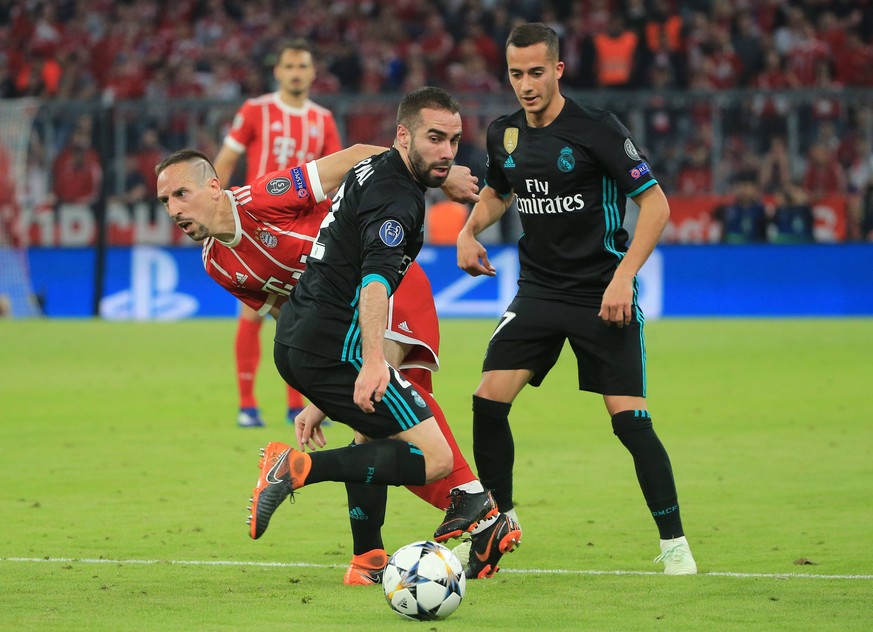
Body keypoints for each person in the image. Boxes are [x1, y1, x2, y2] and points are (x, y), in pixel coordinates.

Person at [154, 136, 518, 582]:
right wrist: (319, 398)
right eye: (165, 201)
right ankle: (377, 555)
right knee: (385, 428)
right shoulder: (217, 264)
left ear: (213, 187)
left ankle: (472, 517)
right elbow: (288, 313)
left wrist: (438, 176)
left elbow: (357, 159)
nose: (173, 209)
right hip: (342, 323)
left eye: (180, 194)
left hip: (387, 287)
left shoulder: (264, 196)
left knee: (392, 421)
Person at [456, 23, 697, 575]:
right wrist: (470, 230)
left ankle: (674, 543)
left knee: (629, 421)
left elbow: (655, 205)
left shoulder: (597, 129)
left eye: (537, 72)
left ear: (558, 69)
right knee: (488, 400)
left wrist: (624, 277)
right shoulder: (505, 135)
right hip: (538, 290)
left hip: (601, 292)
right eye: (516, 74)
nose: (526, 85)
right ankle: (499, 523)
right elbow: (498, 192)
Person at [213, 39, 343, 428]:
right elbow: (227, 158)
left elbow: (337, 170)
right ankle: (247, 404)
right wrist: (214, 207)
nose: (296, 73)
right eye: (290, 66)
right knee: (253, 312)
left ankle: (295, 404)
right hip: (258, 226)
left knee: (301, 313)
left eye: (303, 66)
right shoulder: (255, 110)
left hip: (306, 230)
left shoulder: (323, 119)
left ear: (313, 72)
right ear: (278, 71)